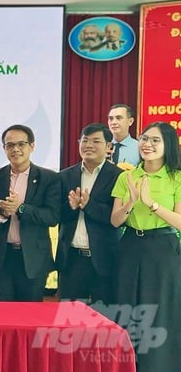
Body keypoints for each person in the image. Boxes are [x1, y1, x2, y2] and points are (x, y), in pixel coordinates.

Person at [110, 121, 181, 371]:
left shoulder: (176, 177)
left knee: (161, 309)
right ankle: (129, 364)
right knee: (129, 306)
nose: (147, 144)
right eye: (144, 139)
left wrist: (151, 204)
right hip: (130, 245)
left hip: (163, 247)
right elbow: (115, 220)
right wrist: (131, 201)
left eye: (155, 140)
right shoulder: (127, 176)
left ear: (168, 145)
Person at [0, 124, 59, 302]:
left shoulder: (48, 178)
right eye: (10, 145)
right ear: (4, 149)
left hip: (33, 258)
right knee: (2, 315)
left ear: (32, 146)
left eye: (21, 144)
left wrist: (21, 208)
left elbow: (52, 216)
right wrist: (2, 214)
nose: (15, 149)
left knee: (30, 315)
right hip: (1, 257)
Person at [57, 123, 121, 304]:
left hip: (105, 259)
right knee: (69, 319)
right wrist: (71, 207)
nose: (89, 145)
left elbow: (118, 219)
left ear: (109, 147)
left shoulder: (119, 176)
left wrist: (88, 205)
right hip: (72, 259)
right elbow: (56, 215)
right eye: (85, 141)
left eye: (96, 141)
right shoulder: (64, 176)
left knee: (106, 319)